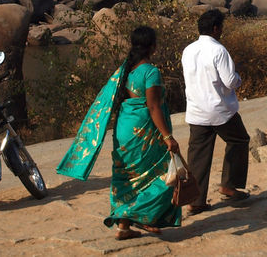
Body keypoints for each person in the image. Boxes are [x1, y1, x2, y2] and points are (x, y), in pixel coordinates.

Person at [57, 26, 181, 240]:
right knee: (158, 176)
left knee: (128, 178)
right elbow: (153, 107)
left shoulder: (125, 71)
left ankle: (125, 226)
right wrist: (168, 137)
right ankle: (142, 217)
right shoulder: (150, 72)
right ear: (152, 46)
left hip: (124, 129)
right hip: (144, 133)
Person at [181, 9, 250, 214]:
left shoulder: (188, 50)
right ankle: (229, 185)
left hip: (196, 110)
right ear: (215, 28)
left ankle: (196, 200)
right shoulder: (219, 50)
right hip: (220, 110)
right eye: (221, 27)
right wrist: (238, 78)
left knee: (198, 156)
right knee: (239, 140)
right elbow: (230, 81)